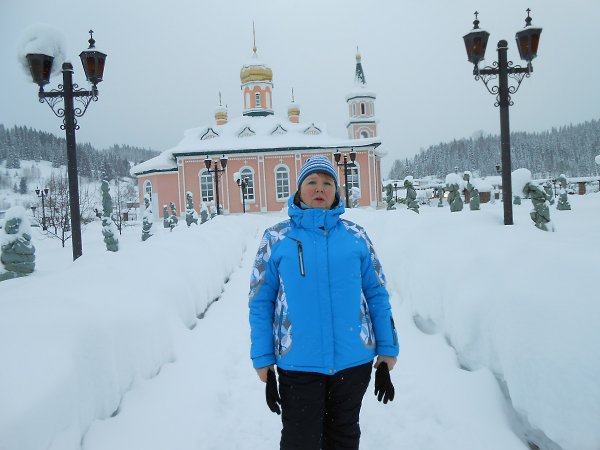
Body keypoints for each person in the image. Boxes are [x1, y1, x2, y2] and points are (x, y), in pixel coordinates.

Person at [248, 155, 399, 450]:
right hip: (298, 363)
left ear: (336, 192)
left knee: (343, 438)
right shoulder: (276, 238)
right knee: (300, 441)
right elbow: (260, 301)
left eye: (328, 183)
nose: (320, 188)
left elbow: (377, 294)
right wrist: (263, 358)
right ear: (299, 190)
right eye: (312, 182)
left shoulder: (356, 236)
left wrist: (387, 349)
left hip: (353, 362)